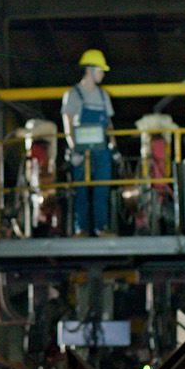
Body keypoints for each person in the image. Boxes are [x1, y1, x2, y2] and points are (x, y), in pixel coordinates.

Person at [60, 49, 117, 236]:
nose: (102, 74)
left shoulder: (103, 96)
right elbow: (67, 124)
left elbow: (109, 124)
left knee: (102, 188)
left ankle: (101, 228)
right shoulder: (73, 94)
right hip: (81, 150)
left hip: (101, 149)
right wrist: (73, 149)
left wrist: (114, 146)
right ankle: (81, 229)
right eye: (101, 70)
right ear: (90, 70)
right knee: (81, 189)